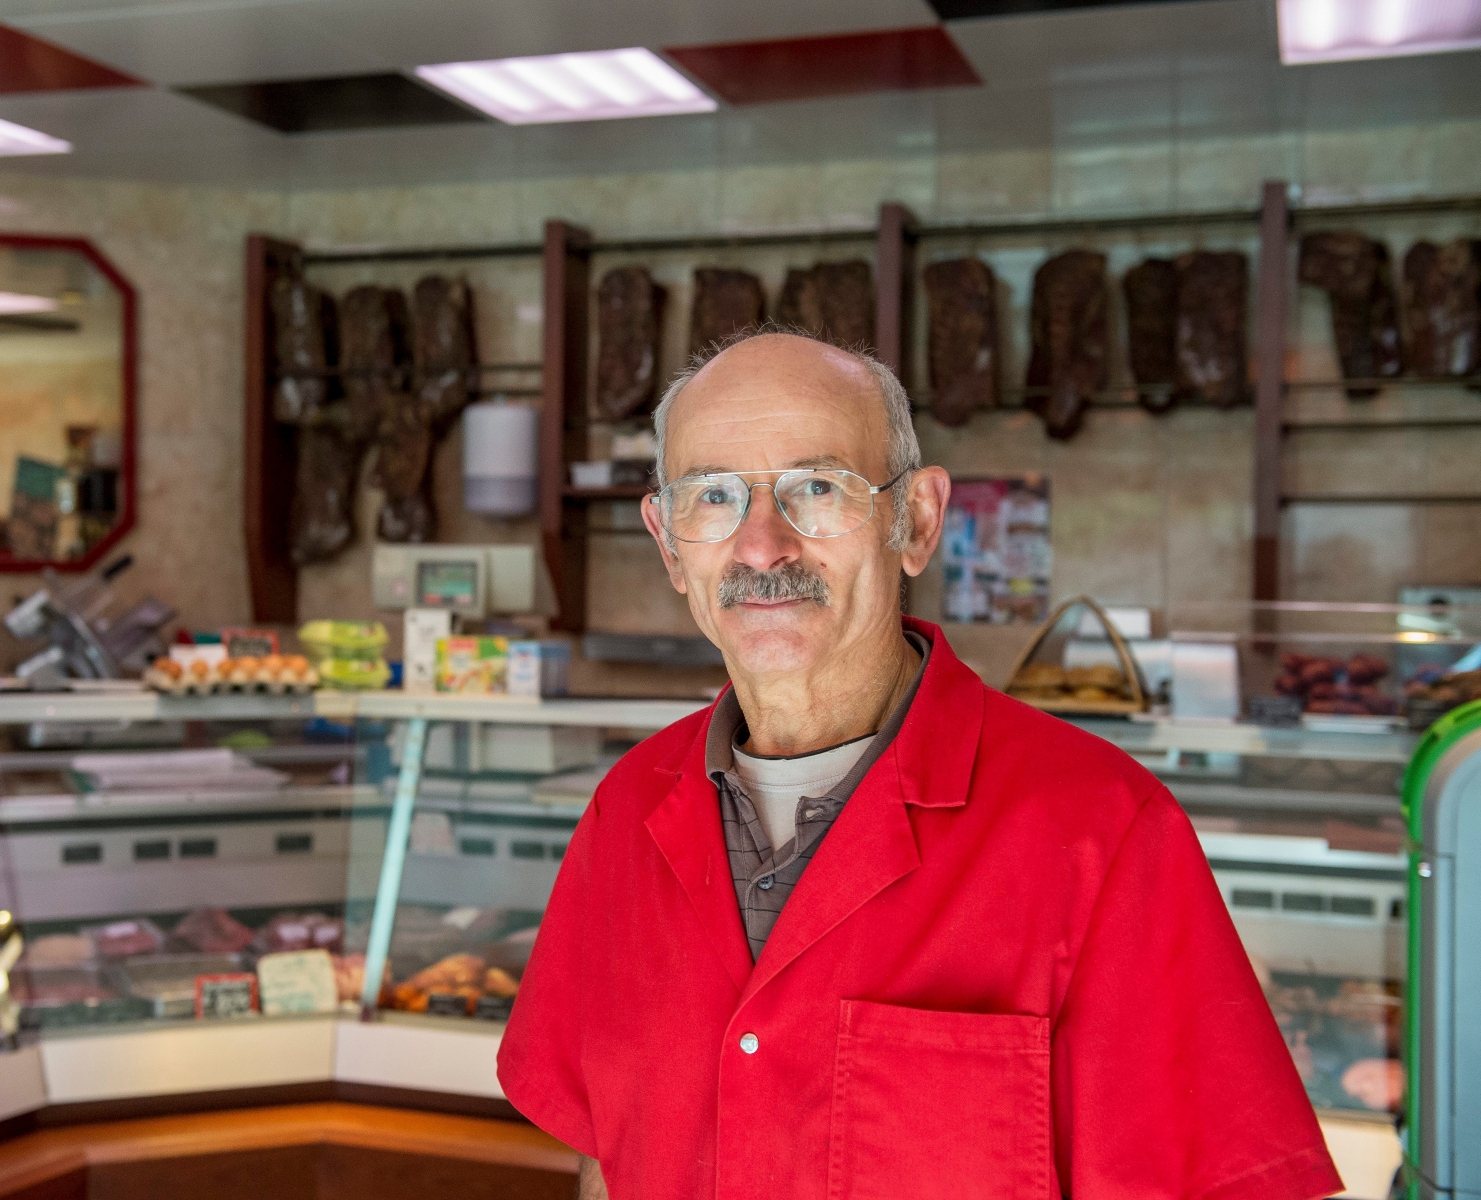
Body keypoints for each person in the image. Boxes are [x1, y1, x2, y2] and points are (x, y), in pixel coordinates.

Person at [497, 331, 1342, 1199]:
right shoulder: (624, 809)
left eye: (817, 488)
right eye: (712, 497)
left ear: (920, 521)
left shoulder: (1102, 830)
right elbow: (605, 1156)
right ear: (671, 545)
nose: (761, 547)